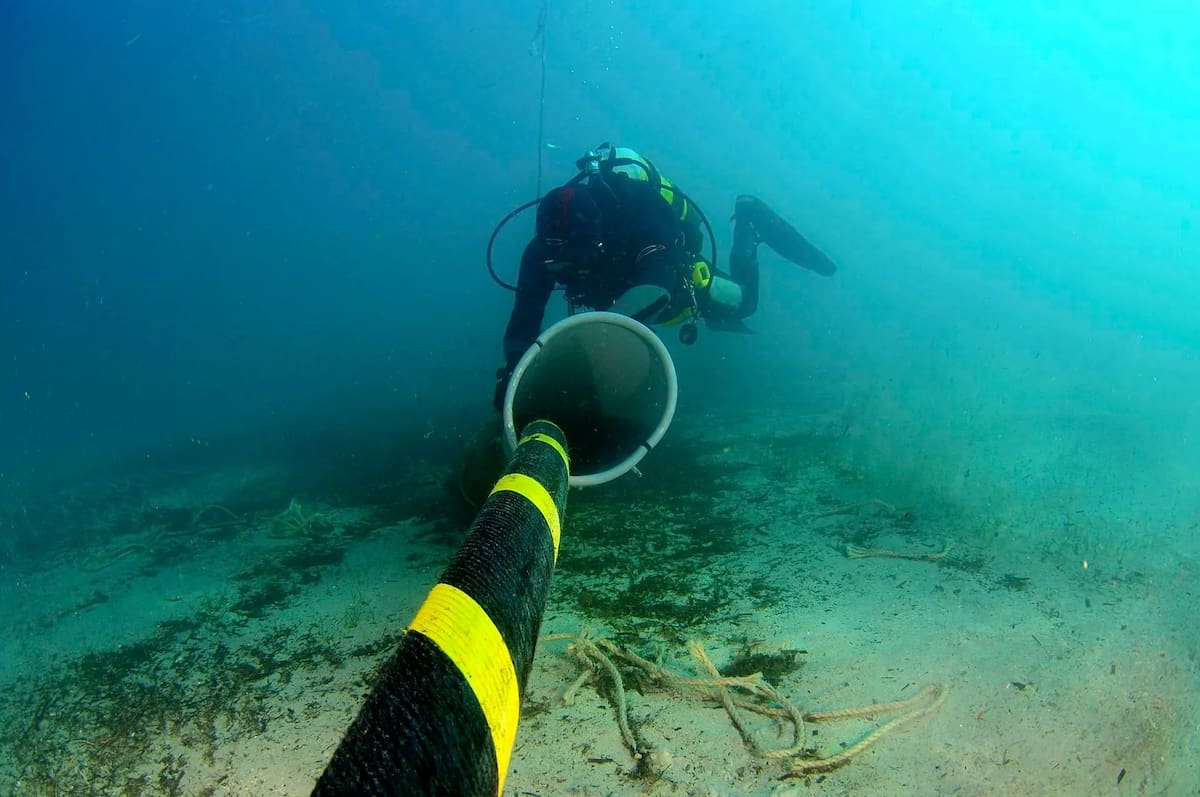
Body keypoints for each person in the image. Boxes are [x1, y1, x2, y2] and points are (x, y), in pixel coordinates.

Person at [491, 144, 837, 411]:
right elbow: (526, 312)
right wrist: (513, 371)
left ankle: (748, 220)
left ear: (597, 235)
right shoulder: (543, 250)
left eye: (576, 258)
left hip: (676, 285)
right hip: (623, 302)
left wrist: (600, 337)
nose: (567, 269)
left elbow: (660, 280)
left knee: (744, 303)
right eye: (558, 263)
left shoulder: (640, 214)